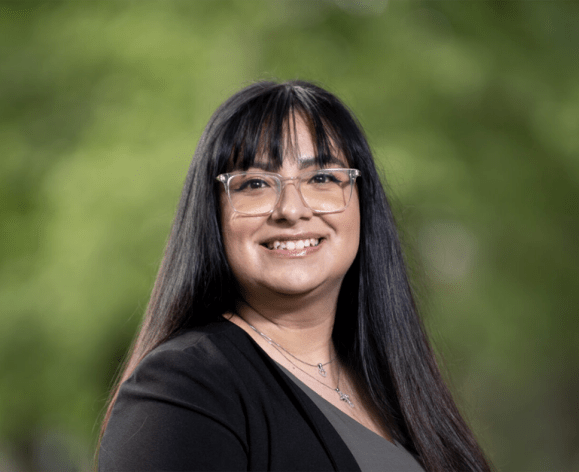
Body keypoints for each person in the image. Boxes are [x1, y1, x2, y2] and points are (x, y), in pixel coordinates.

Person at [97, 80, 492, 471]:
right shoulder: (183, 388)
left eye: (322, 178)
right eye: (254, 183)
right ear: (214, 215)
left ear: (362, 203)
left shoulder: (392, 384)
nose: (291, 209)